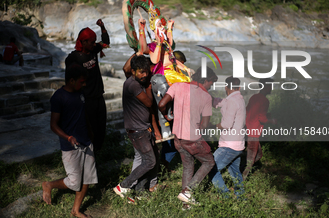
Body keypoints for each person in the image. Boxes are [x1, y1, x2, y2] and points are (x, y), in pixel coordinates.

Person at [42, 64, 97, 218]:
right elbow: (53, 124)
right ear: (71, 80)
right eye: (81, 81)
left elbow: (83, 114)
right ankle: (49, 185)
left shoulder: (80, 93)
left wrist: (90, 131)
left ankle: (76, 210)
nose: (84, 84)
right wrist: (67, 137)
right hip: (70, 146)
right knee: (74, 182)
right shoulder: (59, 97)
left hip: (86, 141)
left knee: (87, 179)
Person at [158, 67, 217, 206]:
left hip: (178, 138)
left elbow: (161, 104)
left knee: (188, 166)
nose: (211, 87)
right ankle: (188, 191)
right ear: (206, 80)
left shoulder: (177, 86)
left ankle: (186, 204)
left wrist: (167, 116)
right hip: (192, 139)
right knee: (209, 162)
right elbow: (205, 124)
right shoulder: (206, 96)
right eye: (211, 83)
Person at [113, 55, 159, 203]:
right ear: (133, 71)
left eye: (146, 72)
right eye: (141, 72)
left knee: (144, 161)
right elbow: (149, 103)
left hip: (141, 128)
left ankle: (137, 193)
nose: (145, 75)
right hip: (137, 131)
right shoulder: (133, 85)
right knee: (150, 161)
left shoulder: (136, 82)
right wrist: (150, 88)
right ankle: (123, 186)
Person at [65, 19, 110, 153]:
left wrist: (102, 27)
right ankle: (89, 154)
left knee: (101, 127)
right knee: (90, 128)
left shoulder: (93, 51)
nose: (94, 44)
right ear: (83, 42)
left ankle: (99, 152)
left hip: (98, 96)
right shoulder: (73, 58)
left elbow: (106, 42)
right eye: (91, 42)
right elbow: (69, 80)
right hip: (86, 99)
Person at [209, 77, 246, 198]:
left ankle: (225, 195)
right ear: (239, 88)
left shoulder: (231, 101)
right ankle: (240, 195)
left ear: (226, 87)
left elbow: (226, 124)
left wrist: (214, 125)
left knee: (210, 168)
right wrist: (210, 98)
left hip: (229, 145)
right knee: (235, 172)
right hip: (238, 144)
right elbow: (222, 102)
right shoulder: (239, 99)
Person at [242, 78, 277, 181]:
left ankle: (241, 169)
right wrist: (272, 121)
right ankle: (241, 182)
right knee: (251, 160)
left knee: (258, 155)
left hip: (247, 130)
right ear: (265, 87)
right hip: (254, 134)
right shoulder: (265, 100)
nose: (271, 88)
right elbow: (262, 119)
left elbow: (248, 111)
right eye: (270, 86)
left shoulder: (254, 97)